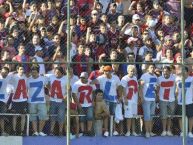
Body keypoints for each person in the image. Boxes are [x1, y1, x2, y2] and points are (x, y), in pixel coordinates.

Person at [27, 65, 48, 136]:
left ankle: (40, 131)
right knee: (33, 117)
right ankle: (35, 132)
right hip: (31, 101)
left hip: (41, 101)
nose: (34, 74)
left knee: (44, 116)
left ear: (38, 72)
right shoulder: (28, 79)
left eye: (35, 72)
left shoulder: (43, 78)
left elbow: (49, 84)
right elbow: (25, 89)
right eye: (32, 72)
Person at [72, 72, 96, 136]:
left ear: (87, 78)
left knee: (90, 117)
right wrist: (78, 104)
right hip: (81, 103)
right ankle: (82, 131)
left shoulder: (91, 83)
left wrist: (93, 101)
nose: (82, 79)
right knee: (81, 118)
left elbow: (94, 92)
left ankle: (89, 130)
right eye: (81, 77)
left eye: (83, 78)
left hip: (89, 103)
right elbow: (74, 95)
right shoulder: (76, 84)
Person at [139, 64, 158, 138]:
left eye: (153, 67)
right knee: (147, 116)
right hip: (146, 99)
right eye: (151, 67)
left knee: (151, 116)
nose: (152, 69)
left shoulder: (155, 76)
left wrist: (156, 94)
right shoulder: (144, 76)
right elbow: (140, 87)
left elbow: (155, 88)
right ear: (148, 69)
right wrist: (141, 97)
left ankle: (150, 131)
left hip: (153, 99)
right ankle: (147, 132)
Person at [48, 66, 67, 136]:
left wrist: (66, 96)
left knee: (61, 117)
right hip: (52, 100)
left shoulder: (65, 79)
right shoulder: (51, 77)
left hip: (61, 101)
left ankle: (60, 131)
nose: (57, 74)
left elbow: (69, 89)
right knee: (52, 116)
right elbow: (44, 78)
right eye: (56, 72)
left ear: (62, 73)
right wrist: (49, 91)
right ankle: (51, 131)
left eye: (58, 72)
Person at [10, 65, 28, 136]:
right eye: (20, 69)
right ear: (17, 70)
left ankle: (22, 131)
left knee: (23, 116)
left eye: (22, 69)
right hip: (15, 100)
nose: (22, 71)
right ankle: (14, 131)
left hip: (23, 99)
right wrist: (12, 73)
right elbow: (8, 80)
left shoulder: (26, 77)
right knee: (15, 116)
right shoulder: (14, 77)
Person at [157, 66, 176, 136]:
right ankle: (164, 130)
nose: (165, 73)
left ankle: (168, 130)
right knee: (164, 116)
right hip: (162, 100)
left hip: (172, 100)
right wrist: (157, 97)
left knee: (170, 116)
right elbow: (157, 88)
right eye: (163, 72)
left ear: (170, 72)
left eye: (166, 71)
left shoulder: (174, 77)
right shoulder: (159, 79)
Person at [121, 65, 138, 136]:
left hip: (134, 100)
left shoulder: (135, 78)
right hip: (128, 100)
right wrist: (125, 99)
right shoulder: (124, 78)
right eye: (131, 71)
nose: (132, 72)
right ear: (128, 71)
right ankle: (128, 131)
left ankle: (133, 131)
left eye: (133, 71)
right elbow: (123, 89)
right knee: (128, 116)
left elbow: (136, 89)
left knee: (133, 116)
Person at [176, 67, 193, 138]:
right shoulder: (177, 79)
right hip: (180, 102)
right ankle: (182, 132)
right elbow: (176, 90)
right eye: (181, 71)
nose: (182, 72)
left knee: (190, 117)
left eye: (184, 71)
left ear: (187, 72)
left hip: (189, 101)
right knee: (180, 117)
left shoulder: (191, 79)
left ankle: (190, 132)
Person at [0, 67, 11, 136]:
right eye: (3, 72)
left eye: (6, 72)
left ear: (8, 73)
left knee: (2, 117)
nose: (4, 73)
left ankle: (2, 131)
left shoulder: (9, 77)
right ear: (0, 71)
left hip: (3, 101)